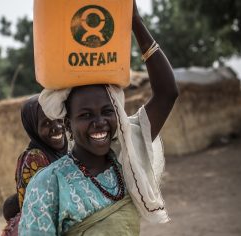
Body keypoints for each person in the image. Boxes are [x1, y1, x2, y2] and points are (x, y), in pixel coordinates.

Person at [18, 0, 179, 235]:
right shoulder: (49, 184)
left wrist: (135, 22)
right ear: (68, 124)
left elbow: (167, 93)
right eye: (85, 115)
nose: (99, 122)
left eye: (107, 111)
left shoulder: (126, 159)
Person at [2, 95, 68, 236]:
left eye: (58, 119)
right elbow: (38, 210)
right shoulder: (34, 158)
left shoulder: (66, 151)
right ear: (33, 128)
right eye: (46, 123)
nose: (57, 127)